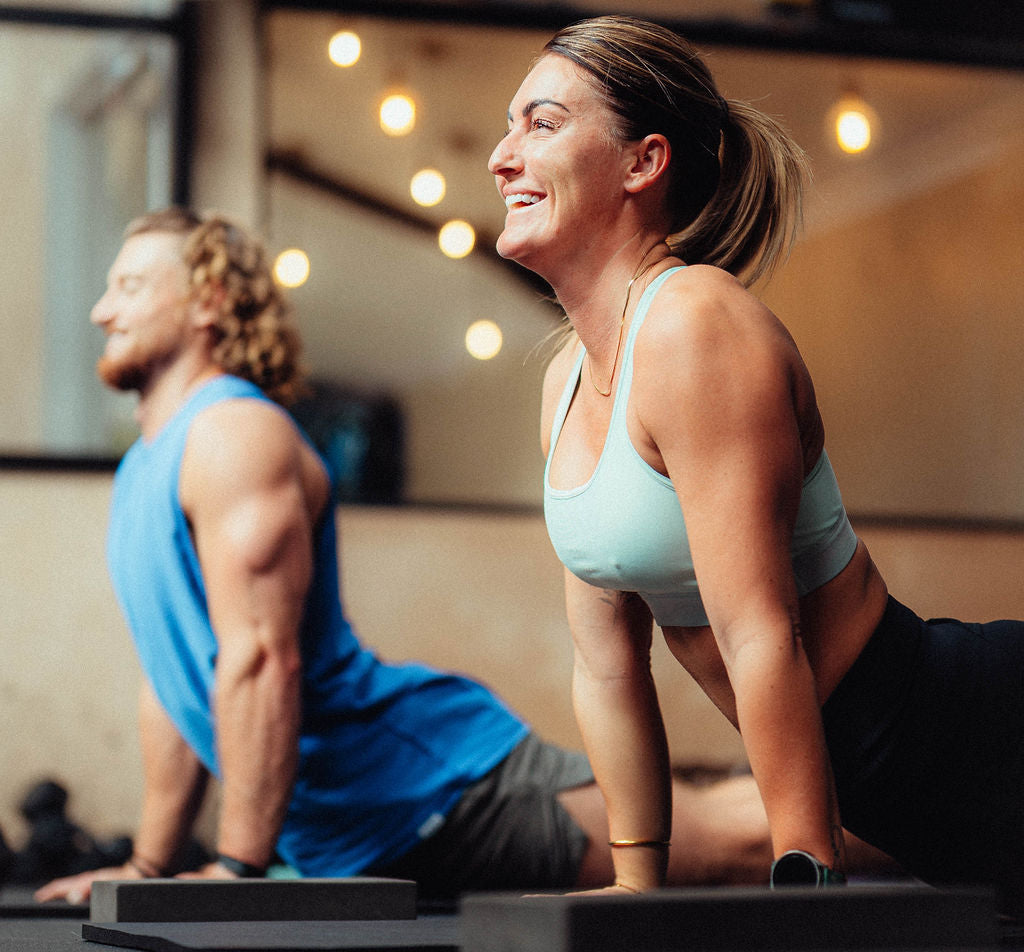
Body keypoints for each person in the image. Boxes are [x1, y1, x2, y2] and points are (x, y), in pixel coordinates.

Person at [37, 207, 784, 906]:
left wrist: (237, 871)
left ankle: (892, 805)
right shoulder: (146, 467)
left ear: (208, 300)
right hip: (361, 829)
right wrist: (147, 868)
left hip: (439, 788)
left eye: (131, 287)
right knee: (718, 822)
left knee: (731, 846)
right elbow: (176, 684)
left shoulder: (232, 436)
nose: (104, 310)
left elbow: (262, 660)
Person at [487, 14, 1024, 904]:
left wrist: (806, 869)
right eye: (509, 126)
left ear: (642, 162)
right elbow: (608, 666)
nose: (504, 156)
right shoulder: (567, 384)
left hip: (967, 732)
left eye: (541, 123)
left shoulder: (697, 325)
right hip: (896, 793)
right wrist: (635, 884)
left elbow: (760, 633)